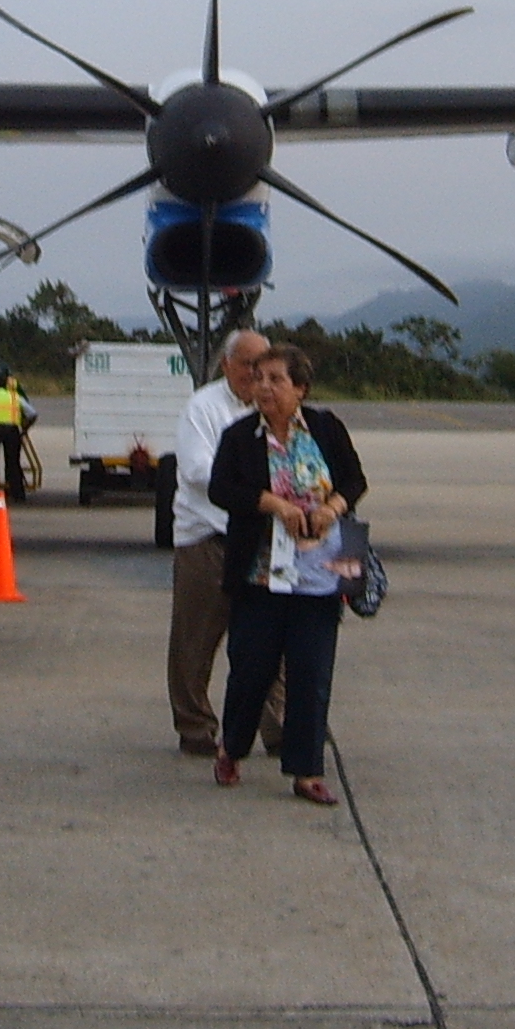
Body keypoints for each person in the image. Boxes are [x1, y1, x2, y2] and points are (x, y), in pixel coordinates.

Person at [209, 343, 366, 806]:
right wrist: (272, 504)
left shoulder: (324, 428)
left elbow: (355, 480)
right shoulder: (240, 437)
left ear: (301, 387)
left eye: (276, 380)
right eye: (258, 379)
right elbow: (221, 488)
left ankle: (306, 770)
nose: (264, 388)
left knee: (311, 672)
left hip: (318, 576)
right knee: (251, 670)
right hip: (260, 575)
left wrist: (333, 508)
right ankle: (232, 747)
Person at [167, 329, 284, 759]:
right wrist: (260, 488)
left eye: (264, 366)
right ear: (226, 364)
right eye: (248, 365)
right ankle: (195, 726)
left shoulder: (274, 407)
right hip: (208, 537)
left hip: (261, 538)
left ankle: (277, 727)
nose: (256, 375)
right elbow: (199, 470)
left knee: (269, 639)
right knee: (196, 638)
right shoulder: (204, 408)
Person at [0, 367, 33, 504]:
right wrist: (24, 428)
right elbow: (32, 414)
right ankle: (17, 493)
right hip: (12, 430)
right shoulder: (15, 397)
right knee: (13, 462)